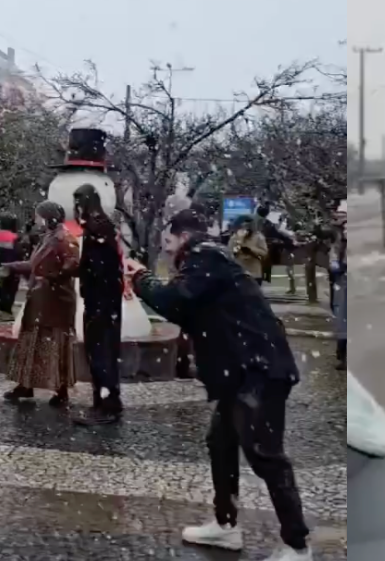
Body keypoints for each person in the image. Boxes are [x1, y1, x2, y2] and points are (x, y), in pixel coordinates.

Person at [124, 209, 311, 561]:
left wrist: (141, 277)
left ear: (181, 236)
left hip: (259, 372)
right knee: (221, 443)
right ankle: (226, 526)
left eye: (167, 242)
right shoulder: (209, 258)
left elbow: (175, 303)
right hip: (242, 372)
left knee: (266, 457)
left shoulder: (205, 255)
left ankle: (297, 546)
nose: (166, 250)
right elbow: (190, 306)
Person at [0, 201, 80, 407]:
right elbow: (35, 266)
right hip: (40, 300)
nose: (36, 220)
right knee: (31, 343)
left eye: (39, 216)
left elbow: (73, 266)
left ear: (48, 217)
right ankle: (25, 385)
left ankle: (61, 390)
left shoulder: (64, 239)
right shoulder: (48, 238)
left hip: (56, 303)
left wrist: (51, 277)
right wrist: (13, 267)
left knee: (54, 345)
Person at [72, 184, 125, 425]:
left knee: (102, 352)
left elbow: (101, 266)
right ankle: (104, 402)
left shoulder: (98, 226)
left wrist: (84, 275)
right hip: (101, 299)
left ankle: (107, 405)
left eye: (79, 201)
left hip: (103, 300)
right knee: (99, 352)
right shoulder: (96, 225)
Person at [0, 216, 21, 317]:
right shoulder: (14, 237)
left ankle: (2, 305)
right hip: (13, 266)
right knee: (11, 287)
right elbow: (18, 252)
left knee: (2, 285)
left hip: (0, 264)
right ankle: (8, 308)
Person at [229, 215, 269, 284]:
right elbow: (230, 253)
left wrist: (251, 249)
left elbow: (264, 253)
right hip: (239, 273)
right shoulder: (234, 238)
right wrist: (239, 242)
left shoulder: (258, 237)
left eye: (247, 226)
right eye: (242, 227)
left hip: (254, 273)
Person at [329, 208, 347, 371]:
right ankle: (342, 357)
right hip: (342, 283)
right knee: (342, 321)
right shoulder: (338, 243)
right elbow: (333, 258)